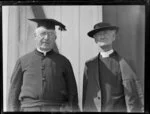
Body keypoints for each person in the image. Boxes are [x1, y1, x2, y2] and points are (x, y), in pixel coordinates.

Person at [7, 18, 79, 112]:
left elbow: (72, 93)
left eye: (50, 34)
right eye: (43, 34)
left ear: (55, 38)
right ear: (35, 36)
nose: (46, 38)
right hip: (29, 109)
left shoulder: (64, 62)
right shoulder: (22, 61)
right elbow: (13, 92)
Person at [82, 22, 144, 112]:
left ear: (113, 37)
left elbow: (135, 95)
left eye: (105, 33)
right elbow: (85, 96)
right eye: (99, 34)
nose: (102, 36)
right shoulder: (89, 65)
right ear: (95, 40)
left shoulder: (126, 64)